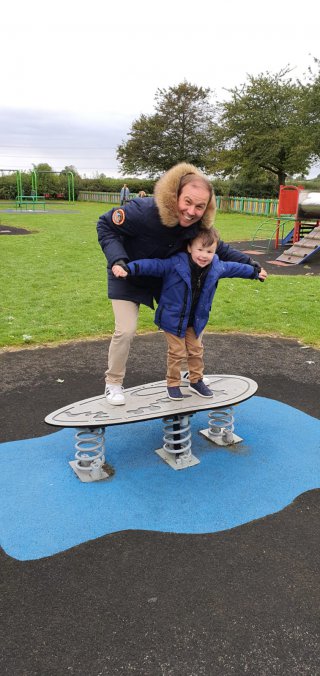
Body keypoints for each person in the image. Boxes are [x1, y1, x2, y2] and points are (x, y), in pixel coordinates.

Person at [97, 162, 267, 405]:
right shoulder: (143, 211)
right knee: (126, 330)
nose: (191, 211)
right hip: (127, 271)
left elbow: (220, 249)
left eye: (200, 206)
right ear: (175, 196)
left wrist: (252, 265)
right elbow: (106, 225)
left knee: (189, 321)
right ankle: (113, 383)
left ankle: (191, 373)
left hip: (165, 277)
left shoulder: (198, 225)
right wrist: (118, 259)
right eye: (187, 202)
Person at [112, 227, 266, 400]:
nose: (204, 255)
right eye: (199, 249)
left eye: (209, 251)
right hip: (173, 318)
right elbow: (152, 265)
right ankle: (173, 384)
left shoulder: (217, 267)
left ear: (215, 252)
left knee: (196, 350)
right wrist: (128, 268)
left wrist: (255, 272)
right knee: (177, 352)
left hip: (195, 319)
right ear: (189, 248)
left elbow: (236, 268)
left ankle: (196, 380)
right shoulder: (174, 264)